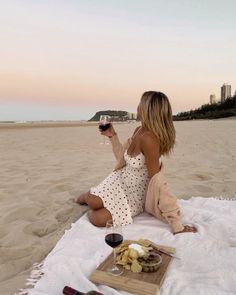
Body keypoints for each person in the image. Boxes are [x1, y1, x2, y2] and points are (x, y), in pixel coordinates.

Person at [76, 91, 197, 234]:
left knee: (98, 219)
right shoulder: (138, 130)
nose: (138, 107)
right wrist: (112, 136)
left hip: (134, 192)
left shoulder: (150, 140)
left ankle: (93, 196)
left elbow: (158, 182)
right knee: (92, 201)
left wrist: (176, 224)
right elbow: (122, 158)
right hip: (119, 179)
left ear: (148, 109)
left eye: (141, 104)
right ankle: (88, 195)